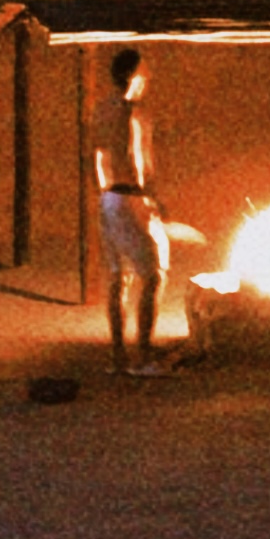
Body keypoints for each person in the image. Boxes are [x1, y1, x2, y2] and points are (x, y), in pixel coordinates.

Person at [90, 45, 172, 375]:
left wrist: (104, 193)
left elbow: (96, 155)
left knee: (118, 278)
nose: (147, 76)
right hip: (129, 199)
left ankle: (119, 358)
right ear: (131, 75)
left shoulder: (100, 109)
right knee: (153, 275)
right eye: (143, 70)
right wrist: (151, 198)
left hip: (107, 199)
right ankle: (145, 357)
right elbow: (137, 160)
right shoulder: (131, 113)